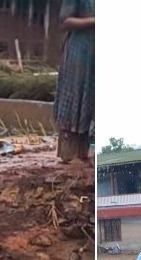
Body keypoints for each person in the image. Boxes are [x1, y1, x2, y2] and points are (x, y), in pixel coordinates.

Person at [53, 0, 94, 163]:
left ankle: (84, 153)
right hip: (80, 52)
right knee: (75, 97)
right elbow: (65, 21)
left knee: (90, 100)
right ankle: (69, 154)